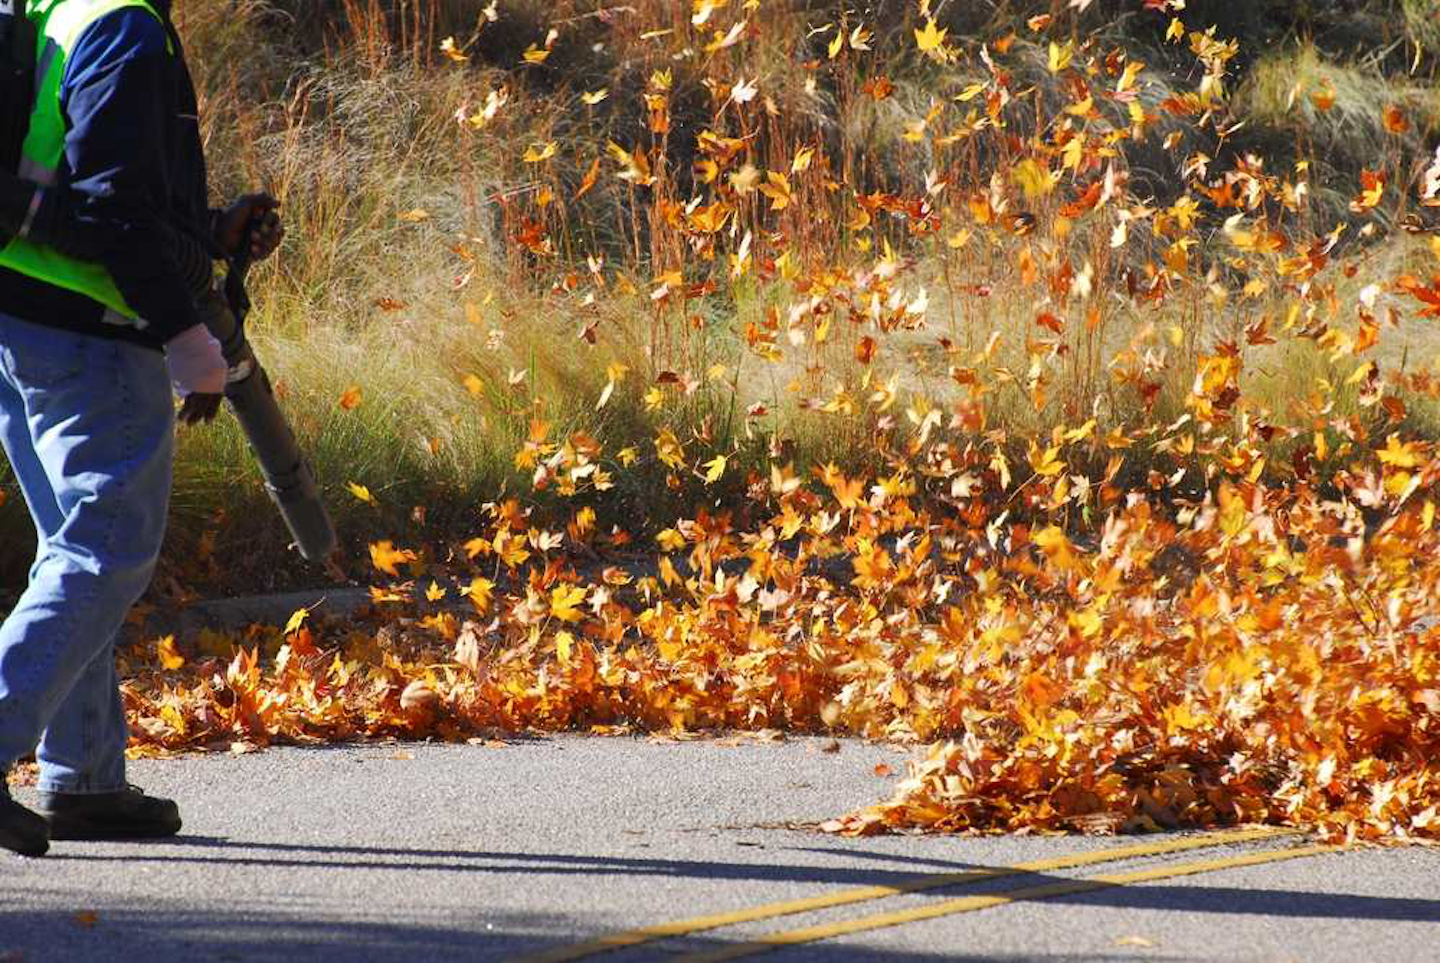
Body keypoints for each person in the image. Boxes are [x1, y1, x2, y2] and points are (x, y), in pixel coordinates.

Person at [0, 0, 281, 858]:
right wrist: (184, 332)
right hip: (88, 328)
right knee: (107, 547)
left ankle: (83, 776)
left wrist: (205, 237)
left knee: (73, 544)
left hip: (20, 312)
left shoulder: (52, 11)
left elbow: (74, 184)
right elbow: (113, 207)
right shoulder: (121, 23)